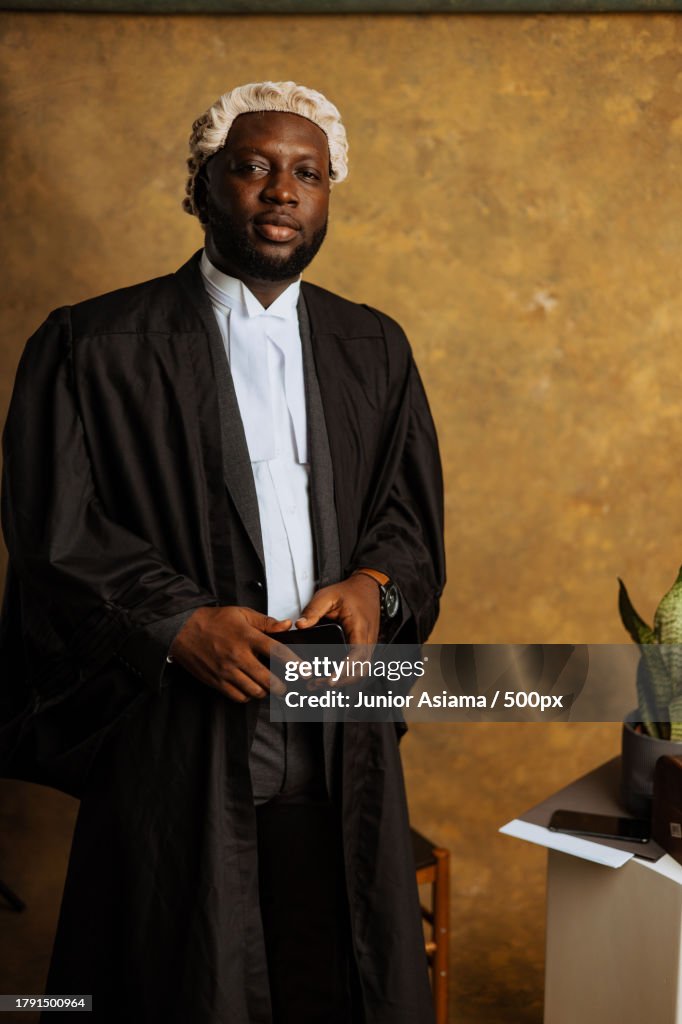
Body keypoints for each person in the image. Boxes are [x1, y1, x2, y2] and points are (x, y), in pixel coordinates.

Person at [0, 82, 445, 1024]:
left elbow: (408, 517)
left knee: (333, 961)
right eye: (252, 167)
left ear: (329, 197)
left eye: (307, 174)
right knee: (183, 968)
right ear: (200, 187)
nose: (281, 190)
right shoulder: (92, 343)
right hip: (180, 729)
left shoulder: (375, 346)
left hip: (336, 721)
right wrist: (175, 624)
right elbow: (53, 532)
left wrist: (375, 585)